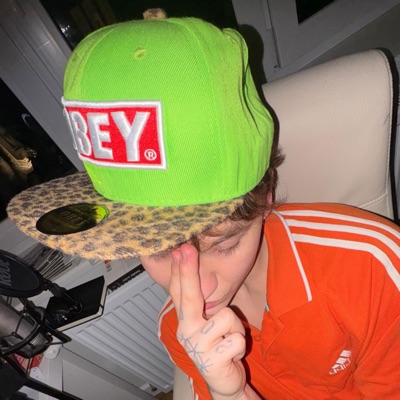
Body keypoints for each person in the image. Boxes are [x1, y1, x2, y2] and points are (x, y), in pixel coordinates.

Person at [7, 13, 400, 400]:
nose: (199, 287)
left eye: (225, 244)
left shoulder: (373, 270)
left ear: (266, 196)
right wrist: (230, 392)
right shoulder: (179, 327)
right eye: (159, 251)